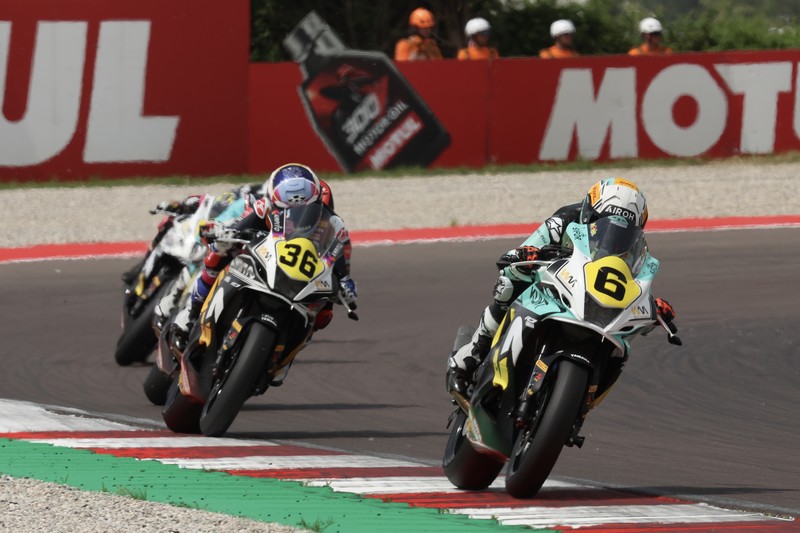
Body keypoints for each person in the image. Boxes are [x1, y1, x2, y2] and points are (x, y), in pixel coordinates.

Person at [446, 178, 676, 396]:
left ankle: (583, 400)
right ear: (589, 214)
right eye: (606, 223)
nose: (615, 234)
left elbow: (633, 281)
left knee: (624, 342)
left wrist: (651, 305)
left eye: (625, 230)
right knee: (508, 284)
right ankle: (472, 355)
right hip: (552, 283)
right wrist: (524, 255)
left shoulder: (636, 249)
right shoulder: (564, 220)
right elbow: (522, 252)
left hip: (593, 302)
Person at [170, 164, 356, 376]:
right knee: (219, 251)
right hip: (260, 257)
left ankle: (286, 356)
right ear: (276, 200)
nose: (296, 213)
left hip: (302, 277)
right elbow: (239, 225)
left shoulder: (335, 226)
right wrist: (224, 232)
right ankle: (190, 313)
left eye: (304, 206)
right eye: (287, 207)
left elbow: (342, 261)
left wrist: (345, 283)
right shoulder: (264, 206)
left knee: (325, 311)